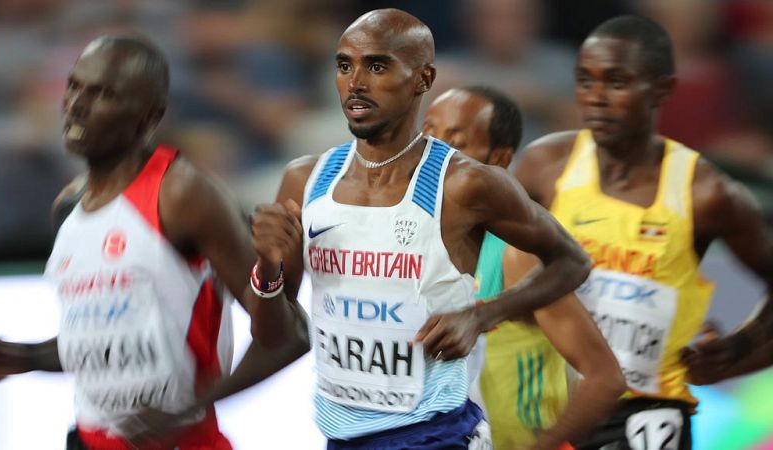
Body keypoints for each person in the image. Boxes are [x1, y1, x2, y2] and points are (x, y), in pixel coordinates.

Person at [253, 8, 607, 450]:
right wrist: (268, 272)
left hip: (434, 434)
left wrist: (482, 315)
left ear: (423, 79)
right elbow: (274, 338)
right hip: (339, 433)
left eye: (377, 66)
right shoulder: (306, 180)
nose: (355, 82)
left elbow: (572, 261)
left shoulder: (465, 183)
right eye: (345, 65)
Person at [0, 35, 310, 450]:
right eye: (75, 86)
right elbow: (105, 340)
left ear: (150, 116)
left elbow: (288, 335)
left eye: (103, 94)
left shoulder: (183, 194)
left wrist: (189, 408)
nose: (77, 105)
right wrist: (25, 357)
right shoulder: (68, 206)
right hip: (87, 440)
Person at [512, 15, 773, 449]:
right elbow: (484, 256)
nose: (596, 98)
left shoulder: (705, 193)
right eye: (585, 80)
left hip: (645, 414)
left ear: (662, 91)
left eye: (616, 83)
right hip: (551, 405)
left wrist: (740, 348)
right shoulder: (546, 166)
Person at [423, 86, 624, 449]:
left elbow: (604, 378)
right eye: (428, 134)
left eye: (456, 142)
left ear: (498, 160)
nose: (433, 153)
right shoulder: (402, 239)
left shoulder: (515, 255)